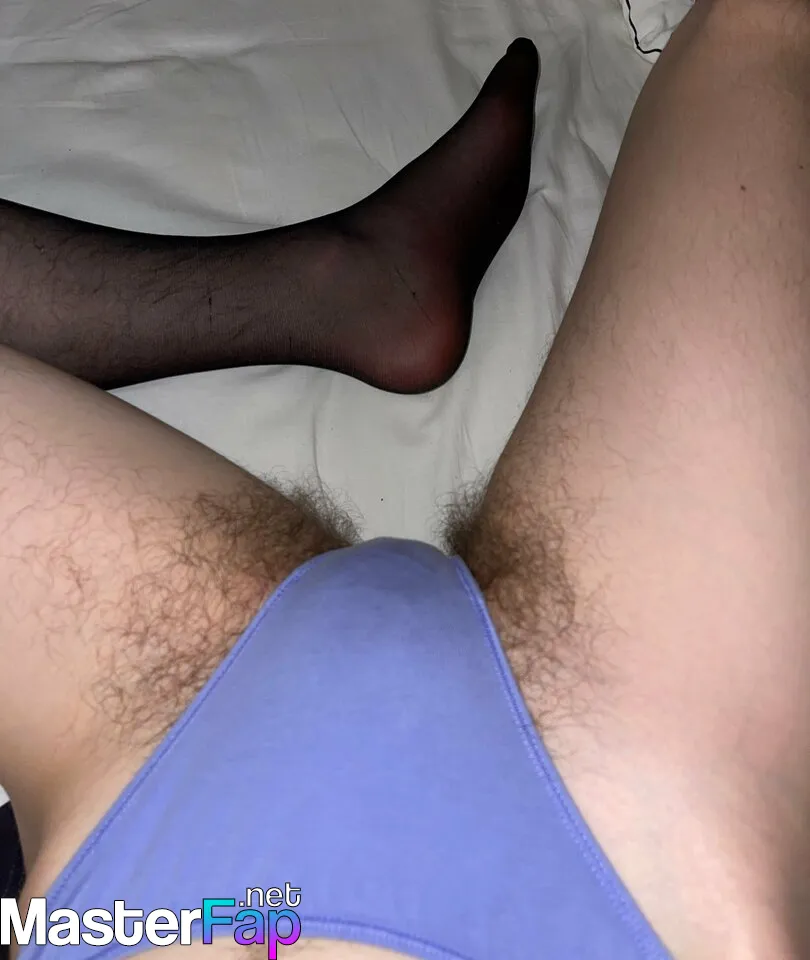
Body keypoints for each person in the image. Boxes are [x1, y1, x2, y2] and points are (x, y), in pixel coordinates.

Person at [2, 0, 809, 954]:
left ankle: (345, 284)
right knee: (763, 30)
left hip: (150, 863)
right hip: (646, 852)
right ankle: (348, 284)